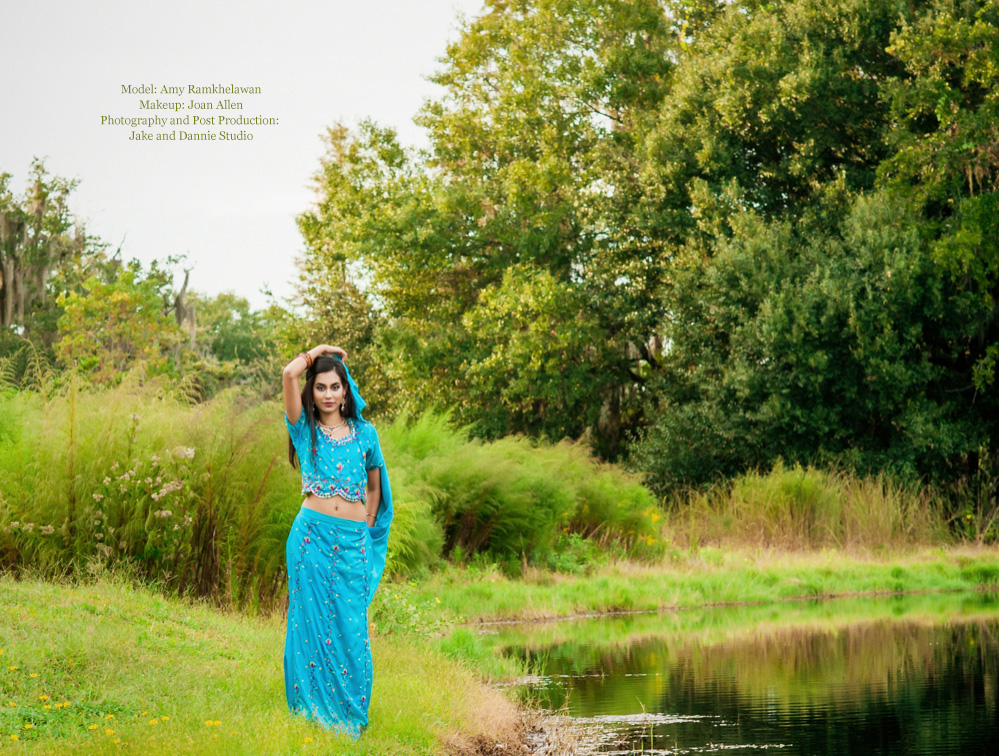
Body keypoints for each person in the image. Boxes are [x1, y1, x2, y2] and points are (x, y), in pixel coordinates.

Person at [281, 344, 392, 738]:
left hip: (351, 544)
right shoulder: (304, 429)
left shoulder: (365, 433)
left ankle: (349, 710)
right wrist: (318, 352)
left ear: (347, 392)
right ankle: (312, 709)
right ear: (312, 393)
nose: (328, 394)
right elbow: (288, 375)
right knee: (310, 623)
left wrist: (363, 523)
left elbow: (375, 487)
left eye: (335, 387)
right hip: (311, 537)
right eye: (321, 387)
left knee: (350, 626)